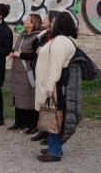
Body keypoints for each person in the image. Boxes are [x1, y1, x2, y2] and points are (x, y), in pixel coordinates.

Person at [36, 12, 78, 162]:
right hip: (56, 85)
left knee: (54, 117)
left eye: (54, 22)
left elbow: (56, 66)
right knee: (53, 116)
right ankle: (54, 147)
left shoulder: (60, 41)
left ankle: (54, 152)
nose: (51, 24)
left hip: (55, 86)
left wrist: (50, 87)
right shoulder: (65, 39)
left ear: (60, 24)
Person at [7, 14, 42, 134]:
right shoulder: (22, 35)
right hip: (17, 71)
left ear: (32, 23)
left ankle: (32, 125)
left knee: (29, 99)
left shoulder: (37, 37)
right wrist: (13, 52)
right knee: (18, 97)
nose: (24, 20)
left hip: (28, 72)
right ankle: (18, 123)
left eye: (27, 20)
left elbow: (35, 55)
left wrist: (20, 55)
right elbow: (17, 48)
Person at [30, 11, 61, 144]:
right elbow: (34, 46)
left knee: (48, 103)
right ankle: (42, 130)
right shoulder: (44, 34)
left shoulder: (56, 36)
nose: (43, 19)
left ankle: (49, 133)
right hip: (40, 72)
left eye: (46, 18)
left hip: (48, 72)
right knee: (41, 102)